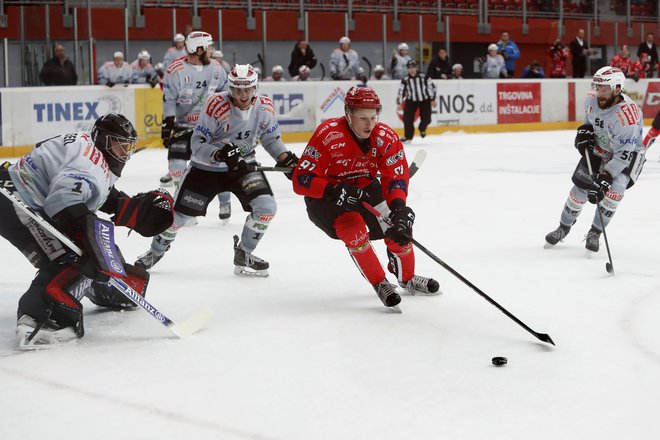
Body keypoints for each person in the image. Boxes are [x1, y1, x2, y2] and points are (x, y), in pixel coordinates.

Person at [0, 114, 174, 348]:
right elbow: (61, 201)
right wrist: (89, 239)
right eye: (118, 145)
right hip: (16, 199)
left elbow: (90, 191)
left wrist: (130, 208)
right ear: (101, 139)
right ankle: (43, 318)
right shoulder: (90, 162)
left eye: (127, 148)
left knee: (96, 248)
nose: (124, 153)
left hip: (17, 190)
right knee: (76, 256)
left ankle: (107, 289)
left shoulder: (90, 150)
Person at [135, 64, 299, 278]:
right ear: (230, 88)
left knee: (266, 207)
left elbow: (271, 139)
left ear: (255, 88)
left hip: (243, 166)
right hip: (206, 170)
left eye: (247, 89)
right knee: (179, 217)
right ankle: (155, 251)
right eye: (237, 90)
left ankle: (245, 253)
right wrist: (220, 154)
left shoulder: (265, 107)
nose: (242, 95)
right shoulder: (215, 104)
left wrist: (285, 159)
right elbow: (198, 143)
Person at [290, 86, 439, 309]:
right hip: (327, 197)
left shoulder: (385, 136)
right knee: (354, 229)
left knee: (398, 227)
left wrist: (399, 206)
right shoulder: (328, 134)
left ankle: (406, 277)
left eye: (373, 117)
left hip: (365, 188)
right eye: (363, 118)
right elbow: (301, 180)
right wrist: (332, 190)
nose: (370, 124)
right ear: (348, 115)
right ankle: (380, 282)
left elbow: (395, 175)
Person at [544, 67, 646, 254]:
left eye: (605, 89)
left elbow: (624, 153)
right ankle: (563, 227)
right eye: (598, 87)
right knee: (580, 190)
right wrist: (585, 131)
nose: (600, 93)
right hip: (601, 147)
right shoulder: (592, 98)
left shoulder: (627, 117)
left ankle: (595, 232)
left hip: (628, 155)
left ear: (617, 89)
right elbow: (591, 119)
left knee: (614, 191)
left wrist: (606, 176)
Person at [159, 31, 228, 192]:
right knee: (176, 165)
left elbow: (226, 96)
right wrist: (167, 125)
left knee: (220, 165)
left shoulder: (217, 69)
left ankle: (224, 202)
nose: (212, 50)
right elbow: (168, 100)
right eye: (209, 47)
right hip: (183, 126)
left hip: (209, 128)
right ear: (198, 50)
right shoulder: (175, 70)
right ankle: (181, 197)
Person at [396, 60, 436, 143]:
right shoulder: (405, 79)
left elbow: (433, 87)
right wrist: (399, 103)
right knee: (407, 119)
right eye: (410, 68)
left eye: (413, 67)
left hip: (424, 99)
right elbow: (401, 91)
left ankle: (422, 129)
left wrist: (432, 99)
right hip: (411, 100)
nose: (412, 69)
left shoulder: (424, 76)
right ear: (407, 69)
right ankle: (408, 136)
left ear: (416, 68)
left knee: (427, 119)